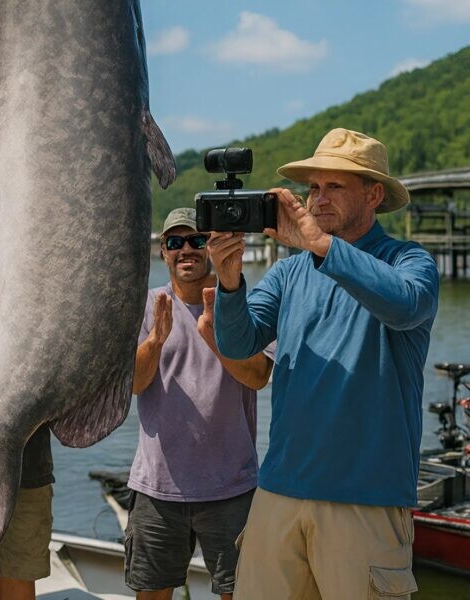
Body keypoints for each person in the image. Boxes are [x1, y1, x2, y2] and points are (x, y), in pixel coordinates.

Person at [208, 128, 439, 599]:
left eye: (334, 186)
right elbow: (238, 345)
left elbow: (406, 306)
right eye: (313, 187)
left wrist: (323, 246)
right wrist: (230, 282)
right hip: (278, 492)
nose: (318, 198)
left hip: (366, 500)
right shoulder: (289, 271)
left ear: (374, 194)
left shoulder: (409, 261)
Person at [126, 208, 273, 600]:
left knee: (239, 592)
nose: (186, 249)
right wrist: (155, 341)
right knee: (151, 593)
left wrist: (213, 336)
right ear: (164, 252)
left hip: (231, 487)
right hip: (157, 489)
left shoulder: (241, 303)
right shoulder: (146, 306)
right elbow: (135, 385)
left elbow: (258, 376)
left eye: (195, 240)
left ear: (211, 245)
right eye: (175, 242)